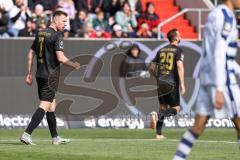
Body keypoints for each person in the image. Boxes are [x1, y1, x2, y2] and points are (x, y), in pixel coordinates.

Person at [173, 0, 240, 159]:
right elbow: (219, 52)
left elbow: (220, 54)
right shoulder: (226, 16)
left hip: (207, 76)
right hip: (223, 79)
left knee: (198, 127)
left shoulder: (214, 14)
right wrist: (219, 88)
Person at [20, 10, 80, 145]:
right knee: (44, 105)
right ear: (55, 20)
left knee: (51, 105)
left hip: (40, 75)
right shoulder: (57, 35)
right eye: (64, 21)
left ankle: (55, 138)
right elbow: (60, 57)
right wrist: (74, 64)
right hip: (50, 76)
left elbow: (30, 54)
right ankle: (26, 134)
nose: (66, 24)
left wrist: (29, 73)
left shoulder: (40, 33)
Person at [149, 28, 185, 140]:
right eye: (179, 34)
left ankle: (158, 134)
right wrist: (182, 83)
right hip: (171, 82)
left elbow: (151, 67)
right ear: (175, 38)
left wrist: (157, 77)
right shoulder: (178, 50)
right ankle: (157, 116)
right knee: (176, 108)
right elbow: (179, 66)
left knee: (163, 107)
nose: (180, 36)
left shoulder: (161, 50)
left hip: (161, 82)